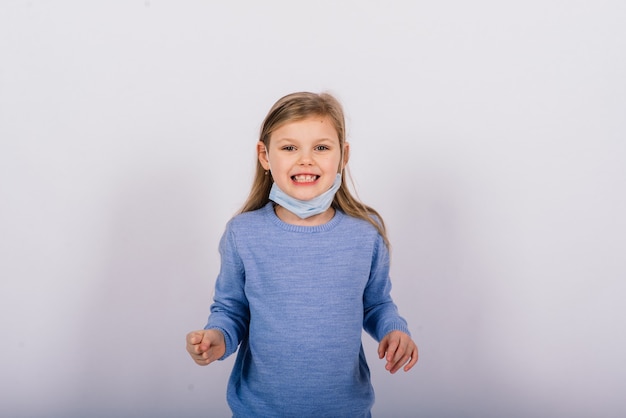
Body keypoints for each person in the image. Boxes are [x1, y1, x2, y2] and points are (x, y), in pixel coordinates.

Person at [186, 92, 418, 417]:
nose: (306, 160)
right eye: (289, 147)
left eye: (321, 148)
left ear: (343, 155)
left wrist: (395, 329)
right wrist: (216, 338)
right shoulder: (243, 233)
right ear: (264, 156)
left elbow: (376, 303)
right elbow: (232, 309)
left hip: (345, 409)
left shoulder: (366, 232)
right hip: (259, 410)